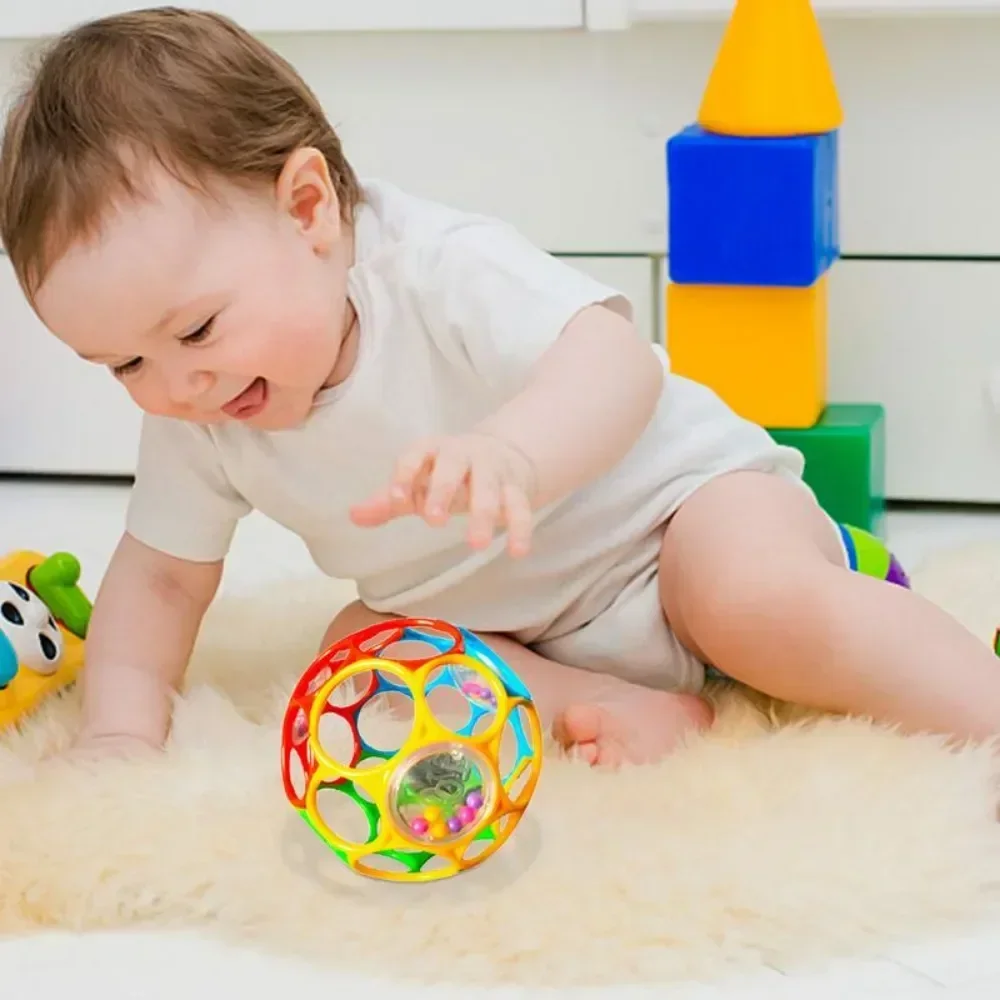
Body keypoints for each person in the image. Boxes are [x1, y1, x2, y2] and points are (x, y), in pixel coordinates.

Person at [3, 8, 998, 769]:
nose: (176, 383)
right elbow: (163, 578)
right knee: (355, 649)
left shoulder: (435, 269)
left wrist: (515, 451)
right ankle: (614, 706)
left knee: (744, 595)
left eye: (194, 329)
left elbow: (611, 360)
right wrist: (121, 739)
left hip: (674, 524)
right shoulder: (202, 407)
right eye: (123, 365)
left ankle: (979, 711)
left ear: (306, 209)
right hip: (519, 618)